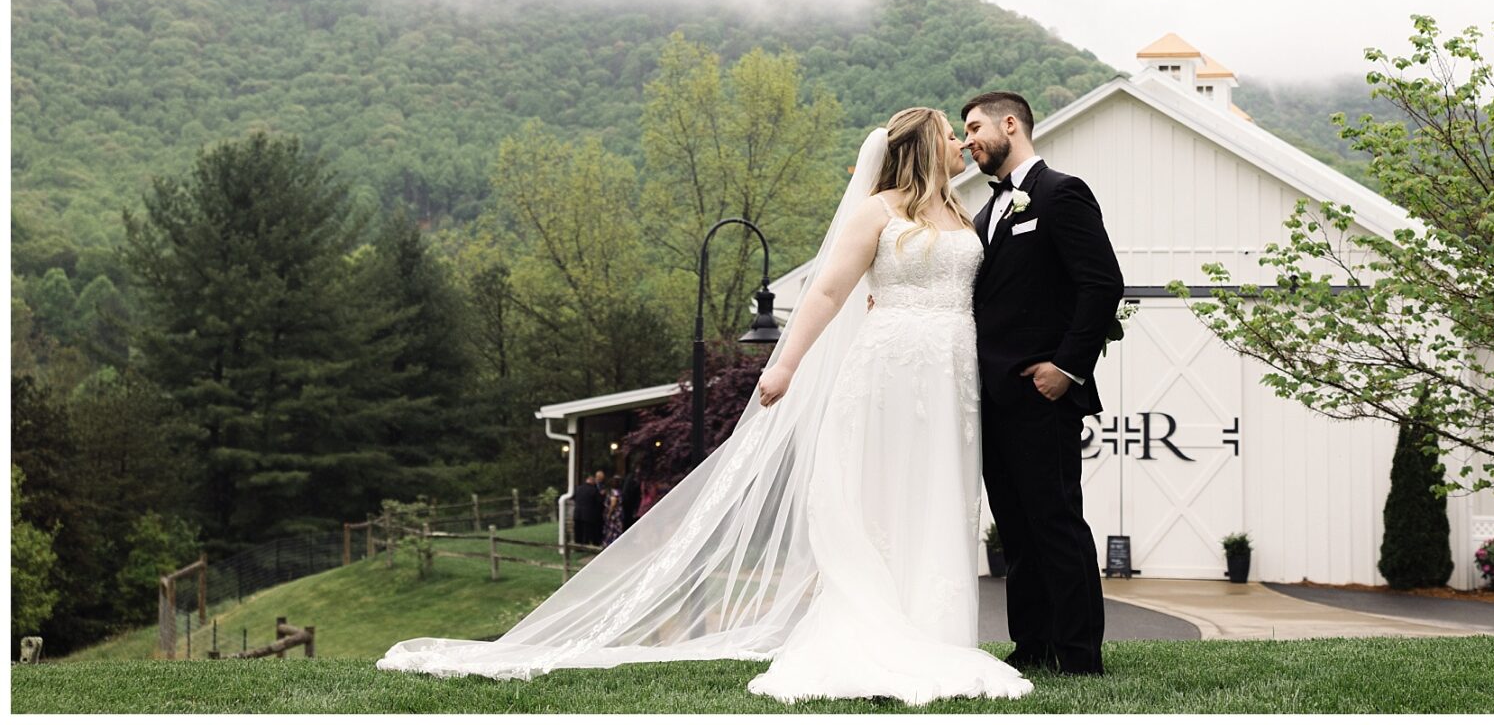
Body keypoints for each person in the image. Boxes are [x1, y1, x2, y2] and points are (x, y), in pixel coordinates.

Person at [378, 110, 1030, 703]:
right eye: (950, 134)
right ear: (922, 146)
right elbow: (828, 292)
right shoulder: (876, 212)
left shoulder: (961, 212)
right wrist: (784, 365)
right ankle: (884, 629)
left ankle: (936, 631)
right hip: (889, 369)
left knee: (941, 495)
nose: (961, 144)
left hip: (951, 378)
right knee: (886, 499)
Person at [962, 91, 1126, 674]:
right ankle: (1032, 644)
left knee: (1056, 521)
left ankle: (1080, 655)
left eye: (976, 126)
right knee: (1016, 530)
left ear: (1012, 124)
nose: (968, 139)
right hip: (991, 398)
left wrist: (1068, 367)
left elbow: (1102, 284)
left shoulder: (1062, 193)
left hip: (1042, 393)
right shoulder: (985, 214)